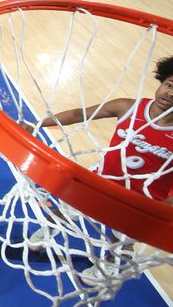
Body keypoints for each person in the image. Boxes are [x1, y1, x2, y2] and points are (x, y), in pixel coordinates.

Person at [23, 55, 173, 283]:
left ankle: (110, 265)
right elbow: (78, 114)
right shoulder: (129, 106)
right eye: (169, 85)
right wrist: (37, 124)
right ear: (161, 82)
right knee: (65, 208)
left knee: (122, 240)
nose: (170, 93)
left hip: (143, 200)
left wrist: (160, 210)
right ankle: (49, 230)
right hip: (103, 181)